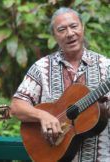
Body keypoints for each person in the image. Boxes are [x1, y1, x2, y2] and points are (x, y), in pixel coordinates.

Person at [10, 7, 110, 162]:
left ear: (82, 27)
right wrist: (42, 115)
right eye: (62, 29)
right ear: (54, 36)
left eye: (74, 26)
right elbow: (16, 106)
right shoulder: (41, 68)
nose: (70, 33)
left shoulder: (105, 66)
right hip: (52, 154)